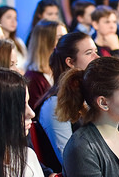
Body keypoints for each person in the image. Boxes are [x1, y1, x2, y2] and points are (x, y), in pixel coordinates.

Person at [37, 32, 98, 167]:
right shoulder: (55, 104)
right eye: (89, 53)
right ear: (70, 62)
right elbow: (69, 159)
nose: (97, 57)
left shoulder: (88, 95)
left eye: (96, 51)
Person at [25, 20, 67, 109]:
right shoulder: (33, 79)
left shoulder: (62, 70)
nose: (66, 43)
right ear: (45, 42)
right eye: (60, 38)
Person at [0, 5, 27, 71]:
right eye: (9, 17)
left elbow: (26, 63)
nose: (13, 21)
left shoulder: (19, 42)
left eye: (15, 18)